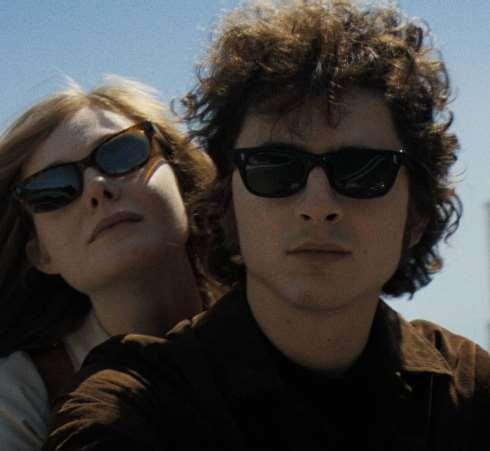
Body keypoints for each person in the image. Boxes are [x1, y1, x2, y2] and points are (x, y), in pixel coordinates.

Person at [44, 1, 490, 450]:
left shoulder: (472, 391)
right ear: (226, 207)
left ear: (416, 214)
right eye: (274, 168)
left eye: (362, 170)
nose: (318, 204)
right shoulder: (138, 403)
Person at [0, 76, 216, 450]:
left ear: (180, 179)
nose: (97, 186)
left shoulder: (291, 315)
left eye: (122, 152)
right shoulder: (19, 395)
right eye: (52, 188)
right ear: (41, 255)